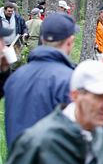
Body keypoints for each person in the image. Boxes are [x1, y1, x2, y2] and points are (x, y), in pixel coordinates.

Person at [4, 13, 78, 146]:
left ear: (42, 39)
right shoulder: (71, 79)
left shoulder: (15, 77)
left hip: (18, 162)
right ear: (70, 41)